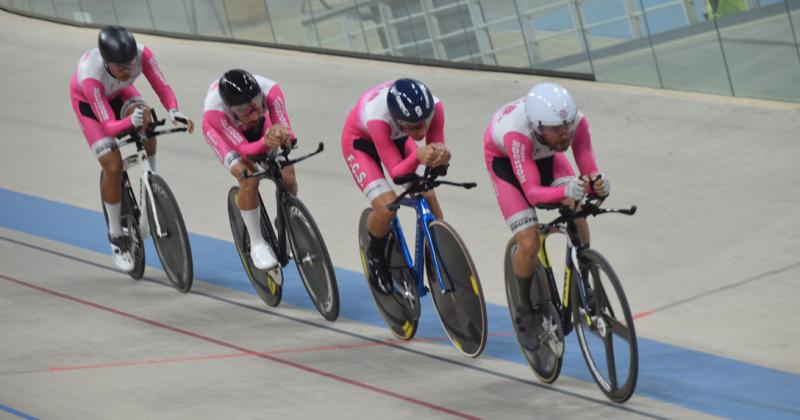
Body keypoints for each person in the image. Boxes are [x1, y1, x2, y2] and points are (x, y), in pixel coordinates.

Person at [483, 82, 610, 351]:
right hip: (507, 164)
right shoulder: (517, 134)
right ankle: (524, 307)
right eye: (556, 129)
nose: (565, 133)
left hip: (545, 157)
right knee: (528, 242)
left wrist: (598, 184)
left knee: (576, 209)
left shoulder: (576, 124)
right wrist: (566, 189)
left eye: (567, 125)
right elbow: (532, 193)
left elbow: (588, 168)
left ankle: (583, 277)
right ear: (538, 126)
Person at [69, 25, 193, 273]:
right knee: (113, 166)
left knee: (147, 120)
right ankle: (116, 234)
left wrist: (173, 111)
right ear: (106, 62)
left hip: (120, 93)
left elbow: (162, 87)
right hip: (91, 107)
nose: (128, 69)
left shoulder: (143, 55)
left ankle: (151, 179)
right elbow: (109, 126)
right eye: (121, 67)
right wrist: (128, 122)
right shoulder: (90, 76)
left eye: (130, 64)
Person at [341, 78, 450, 294]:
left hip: (397, 136)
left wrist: (442, 157)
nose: (421, 131)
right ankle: (374, 255)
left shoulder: (435, 107)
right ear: (399, 120)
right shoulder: (378, 117)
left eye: (424, 123)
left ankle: (442, 252)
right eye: (413, 126)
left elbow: (436, 150)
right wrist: (419, 155)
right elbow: (397, 173)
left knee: (428, 194)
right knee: (387, 205)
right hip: (360, 143)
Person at [202, 69, 295, 271]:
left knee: (287, 173)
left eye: (255, 102)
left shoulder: (271, 90)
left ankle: (285, 221)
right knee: (249, 178)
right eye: (244, 109)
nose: (253, 112)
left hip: (259, 129)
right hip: (225, 136)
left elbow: (287, 130)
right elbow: (244, 149)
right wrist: (265, 142)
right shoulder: (214, 111)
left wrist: (284, 137)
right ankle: (257, 244)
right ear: (229, 107)